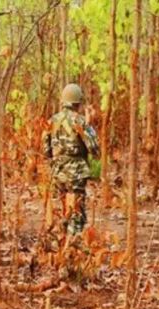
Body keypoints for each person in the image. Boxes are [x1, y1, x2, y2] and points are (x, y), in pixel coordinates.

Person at [43, 83, 100, 236]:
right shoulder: (80, 121)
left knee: (64, 206)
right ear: (78, 102)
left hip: (58, 170)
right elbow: (94, 148)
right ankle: (73, 242)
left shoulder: (52, 121)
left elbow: (46, 150)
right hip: (76, 171)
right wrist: (90, 125)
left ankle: (63, 238)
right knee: (76, 210)